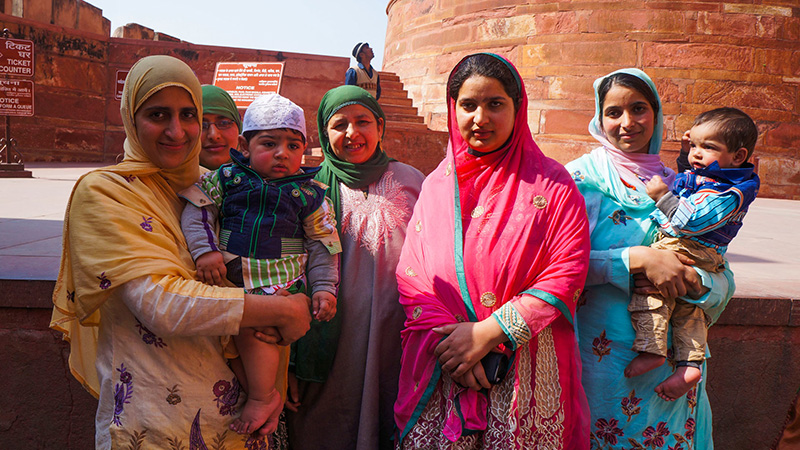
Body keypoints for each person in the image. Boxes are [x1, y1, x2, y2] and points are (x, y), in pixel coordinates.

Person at [49, 55, 312, 449]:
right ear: (131, 119)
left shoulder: (213, 186)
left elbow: (263, 266)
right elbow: (161, 303)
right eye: (158, 114)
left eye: (189, 114)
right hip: (153, 420)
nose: (178, 131)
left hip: (241, 417)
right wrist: (283, 310)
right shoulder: (105, 192)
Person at [394, 53, 591, 449]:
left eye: (495, 104)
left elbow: (567, 269)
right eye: (468, 105)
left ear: (518, 109)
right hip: (446, 360)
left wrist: (488, 333)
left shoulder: (551, 182)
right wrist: (455, 348)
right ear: (454, 110)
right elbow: (411, 274)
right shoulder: (436, 186)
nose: (480, 118)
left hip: (526, 361)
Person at [565, 68, 736, 449]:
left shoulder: (682, 187)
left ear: (656, 114)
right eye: (614, 112)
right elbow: (552, 268)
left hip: (672, 380)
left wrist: (697, 282)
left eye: (638, 109)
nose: (627, 123)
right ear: (599, 118)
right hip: (603, 370)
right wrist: (635, 259)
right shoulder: (577, 183)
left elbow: (722, 274)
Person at [180, 93, 342, 435]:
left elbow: (323, 245)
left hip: (277, 282)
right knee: (235, 334)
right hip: (229, 274)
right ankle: (259, 392)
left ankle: (263, 395)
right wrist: (204, 252)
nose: (282, 154)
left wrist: (325, 288)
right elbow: (198, 212)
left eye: (293, 146)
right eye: (269, 143)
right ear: (245, 145)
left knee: (259, 332)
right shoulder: (227, 178)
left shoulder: (311, 193)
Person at [282, 85, 425, 450]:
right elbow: (292, 271)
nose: (352, 133)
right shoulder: (308, 190)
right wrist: (293, 361)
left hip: (397, 336)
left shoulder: (413, 181)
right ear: (324, 134)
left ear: (380, 126)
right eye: (339, 124)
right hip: (331, 339)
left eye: (363, 121)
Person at [626, 107, 760, 402]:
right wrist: (689, 151)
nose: (697, 154)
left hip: (689, 248)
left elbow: (691, 219)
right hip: (699, 254)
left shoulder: (732, 191)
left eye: (708, 147)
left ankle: (651, 348)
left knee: (652, 289)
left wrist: (662, 197)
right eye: (695, 145)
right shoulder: (717, 177)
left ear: (738, 156)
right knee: (689, 311)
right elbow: (691, 180)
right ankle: (690, 365)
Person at [200, 85, 241, 170]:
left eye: (224, 123)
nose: (214, 135)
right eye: (202, 125)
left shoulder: (266, 175)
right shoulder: (169, 180)